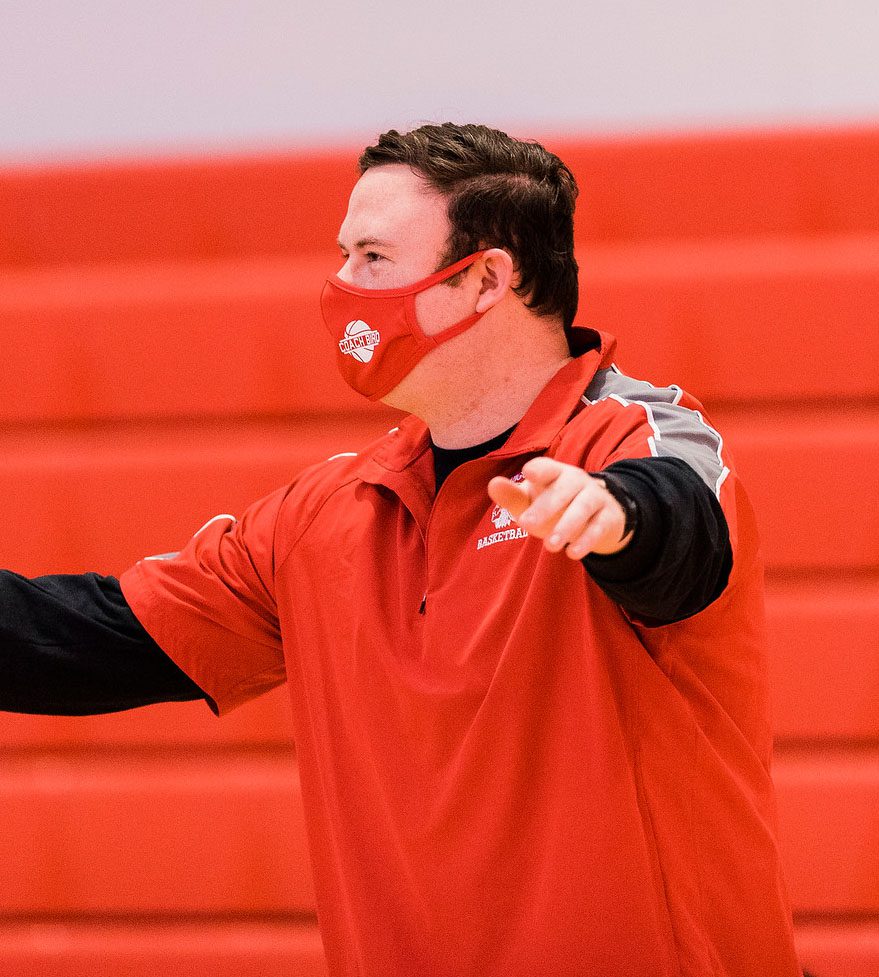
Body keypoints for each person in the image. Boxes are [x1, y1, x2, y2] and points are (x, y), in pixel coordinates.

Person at [2, 123, 802, 976]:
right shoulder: (324, 514)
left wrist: (614, 518)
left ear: (489, 277)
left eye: (374, 258)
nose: (342, 287)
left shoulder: (629, 439)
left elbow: (681, 531)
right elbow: (81, 641)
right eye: (343, 255)